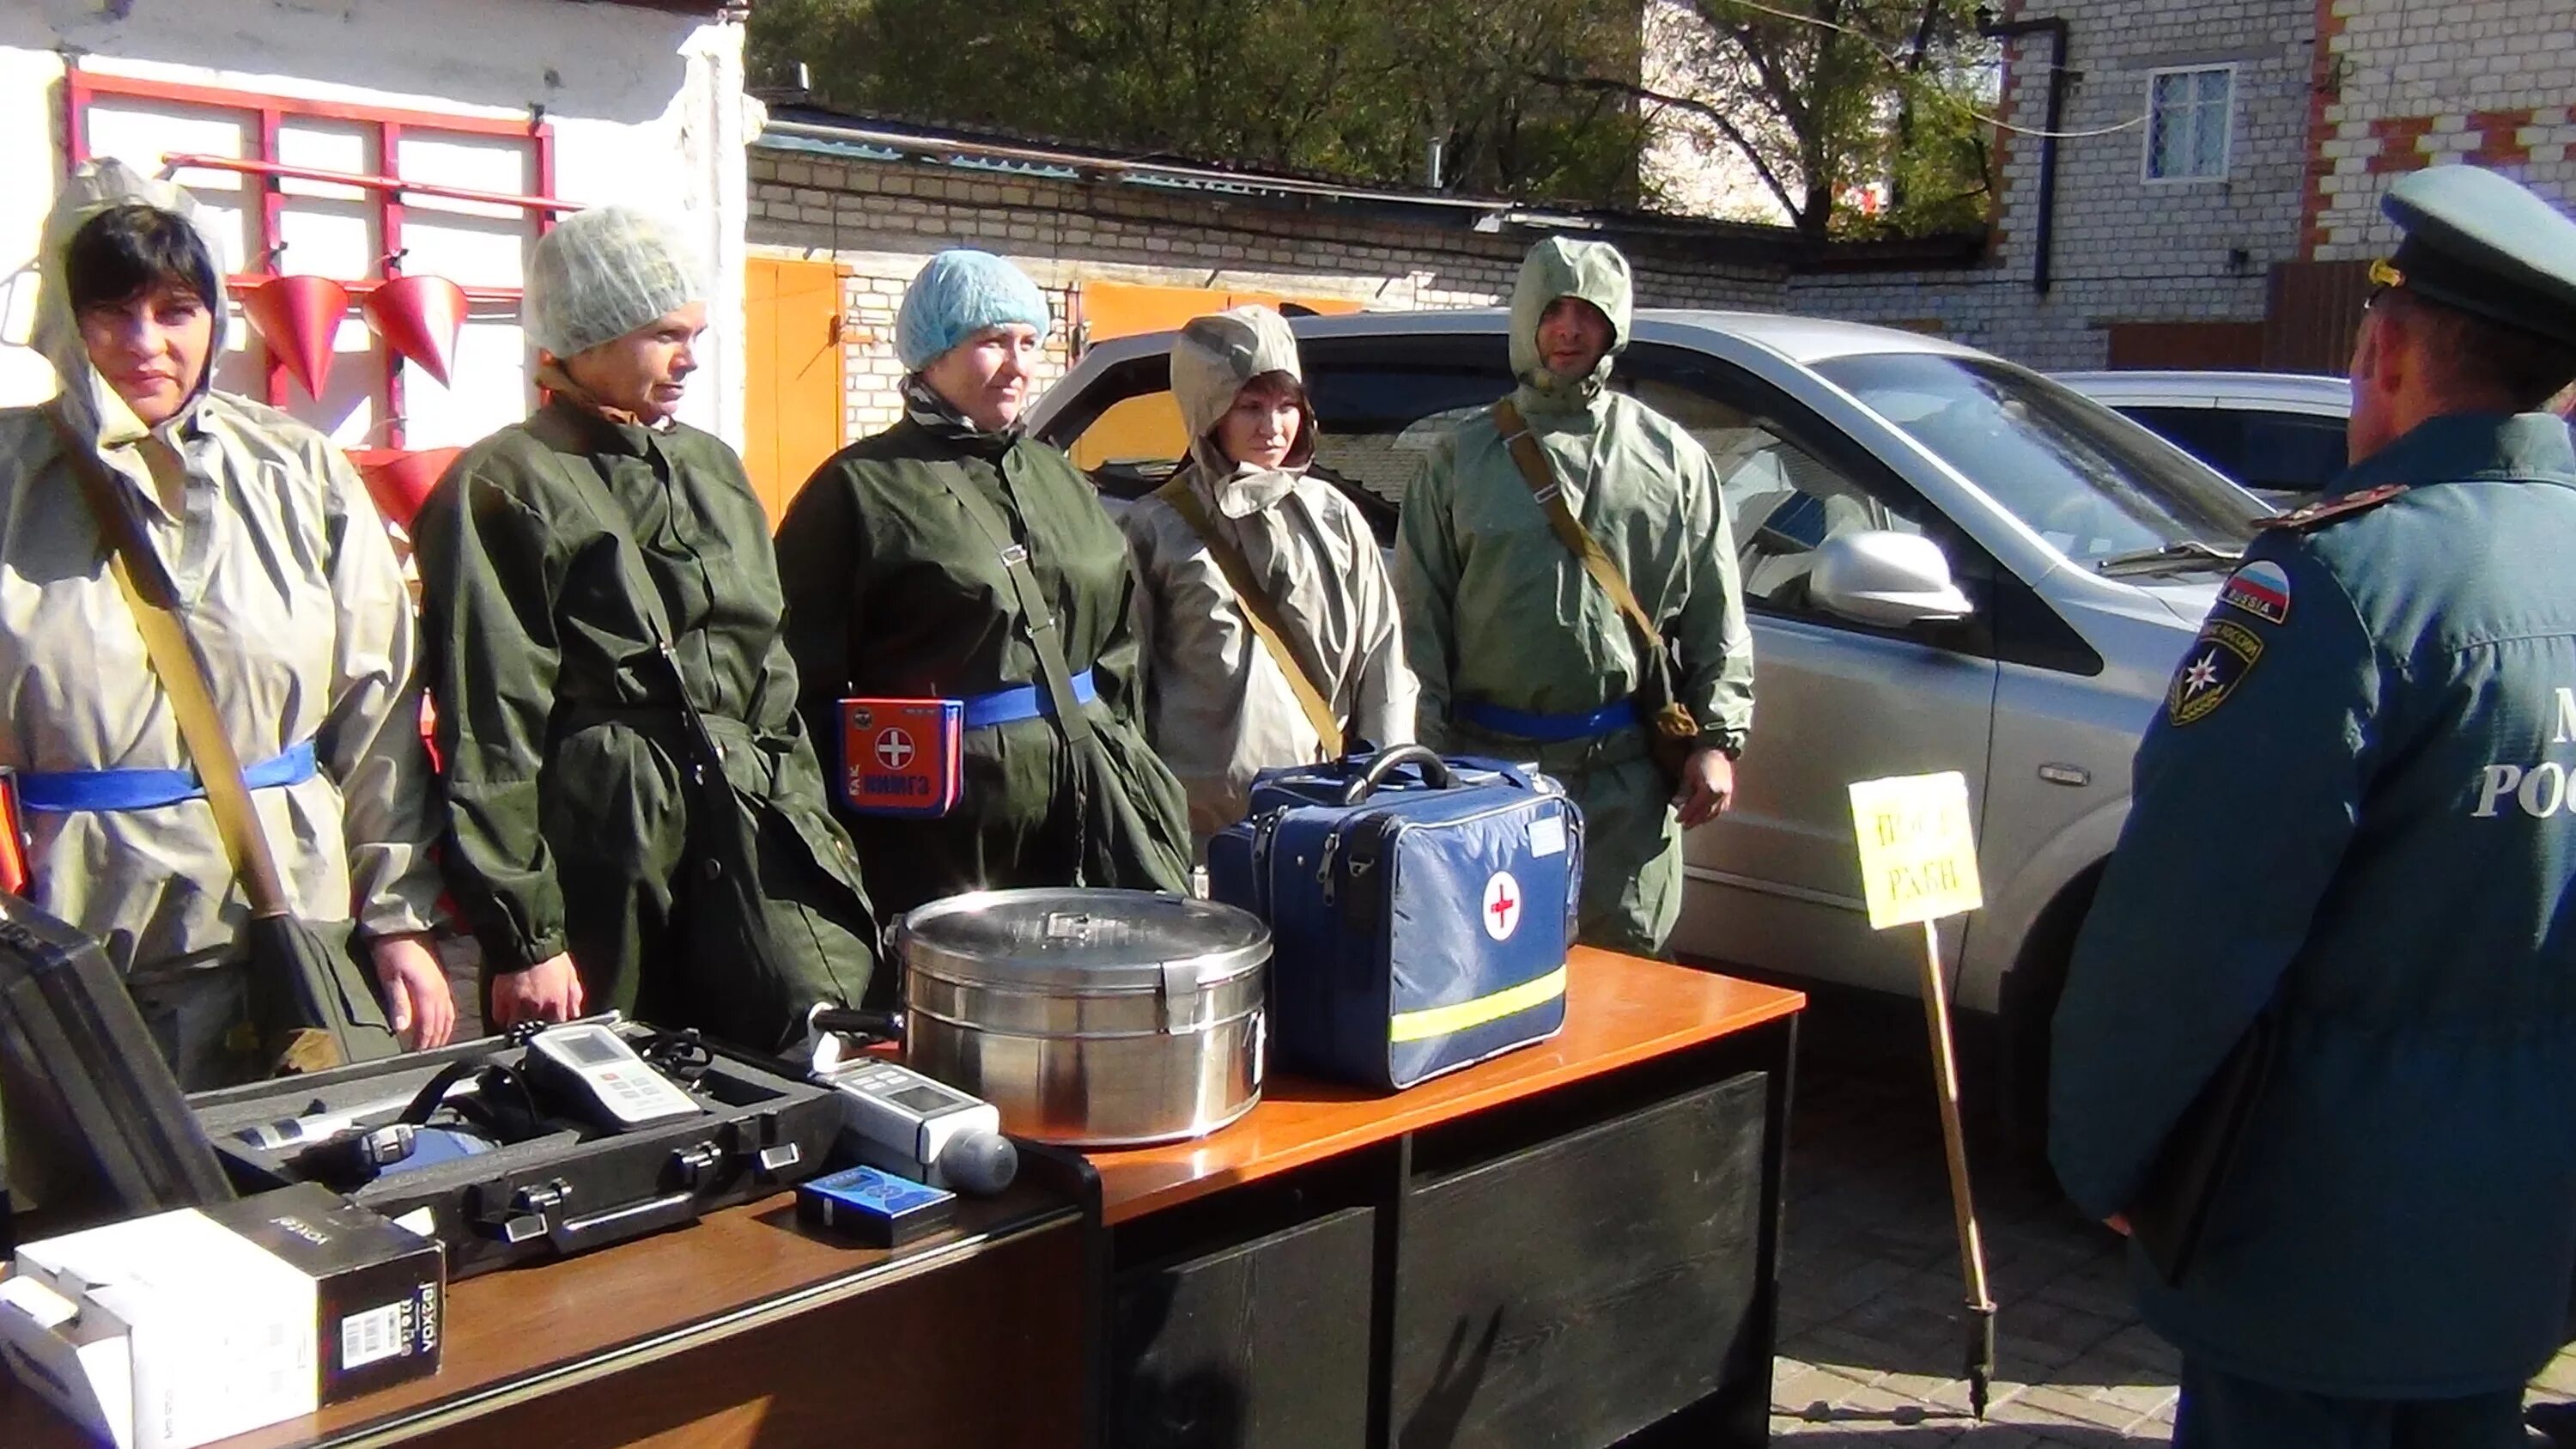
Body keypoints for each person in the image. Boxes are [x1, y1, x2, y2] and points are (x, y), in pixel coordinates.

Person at [2050, 165, 2576, 1448]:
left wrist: (2115, 1148)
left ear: (2386, 350)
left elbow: (2190, 919)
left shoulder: (2344, 584)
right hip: (2527, 1226)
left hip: (2317, 1232)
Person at [0, 161, 452, 1087]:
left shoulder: (299, 471)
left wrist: (399, 918)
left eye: (175, 311)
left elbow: (379, 711)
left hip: (286, 931)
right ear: (62, 317)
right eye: (111, 311)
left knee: (310, 1208)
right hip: (80, 944)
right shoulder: (10, 481)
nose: (145, 344)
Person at [415, 206, 874, 1053]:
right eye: (666, 334)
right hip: (605, 849)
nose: (690, 358)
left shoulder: (712, 470)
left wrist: (809, 831)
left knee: (798, 1063)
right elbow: (493, 721)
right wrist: (528, 935)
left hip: (749, 827)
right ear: (589, 332)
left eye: (695, 334)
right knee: (608, 1087)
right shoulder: (505, 484)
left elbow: (770, 677)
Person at [777, 248, 1190, 919]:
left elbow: (1118, 642)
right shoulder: (859, 488)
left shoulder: (1057, 477)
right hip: (944, 831)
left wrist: (1123, 751)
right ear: (932, 354)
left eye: (1029, 342)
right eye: (991, 342)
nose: (1018, 365)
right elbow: (799, 678)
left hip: (1092, 795)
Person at [1393, 237, 1753, 957]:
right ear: (1526, 318)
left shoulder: (1671, 459)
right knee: (1485, 978)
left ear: (1614, 323)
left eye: (1586, 311)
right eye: (1552, 309)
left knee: (1628, 994)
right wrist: (1422, 768)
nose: (1567, 329)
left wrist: (1716, 741)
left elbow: (1717, 613)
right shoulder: (1462, 460)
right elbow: (1416, 628)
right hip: (1486, 780)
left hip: (1623, 785)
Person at [1120, 305, 1415, 847]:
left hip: (1323, 818)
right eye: (1249, 406)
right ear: (1208, 413)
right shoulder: (1155, 529)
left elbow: (1382, 660)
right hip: (1200, 833)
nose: (1272, 427)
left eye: (1287, 406)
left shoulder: (1334, 517)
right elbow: (1127, 687)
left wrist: (1385, 789)